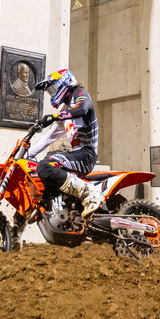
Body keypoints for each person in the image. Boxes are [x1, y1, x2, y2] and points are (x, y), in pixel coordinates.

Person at [28, 68, 102, 217]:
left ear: (65, 83)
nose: (52, 93)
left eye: (53, 88)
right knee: (40, 175)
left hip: (86, 154)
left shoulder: (79, 93)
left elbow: (82, 108)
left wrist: (54, 116)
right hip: (76, 154)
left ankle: (90, 193)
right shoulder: (65, 109)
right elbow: (48, 138)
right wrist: (26, 155)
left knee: (45, 166)